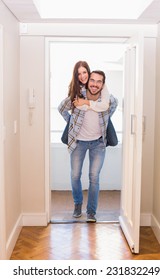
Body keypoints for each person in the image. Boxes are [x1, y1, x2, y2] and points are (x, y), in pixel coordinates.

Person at [58, 70, 118, 222]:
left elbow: (110, 110)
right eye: (92, 80)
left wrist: (100, 115)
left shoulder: (109, 100)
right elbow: (61, 108)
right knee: (75, 175)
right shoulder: (78, 96)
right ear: (88, 80)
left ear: (103, 85)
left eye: (99, 82)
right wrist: (72, 122)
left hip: (98, 143)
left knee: (94, 178)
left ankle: (91, 212)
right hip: (78, 142)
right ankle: (78, 204)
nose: (95, 84)